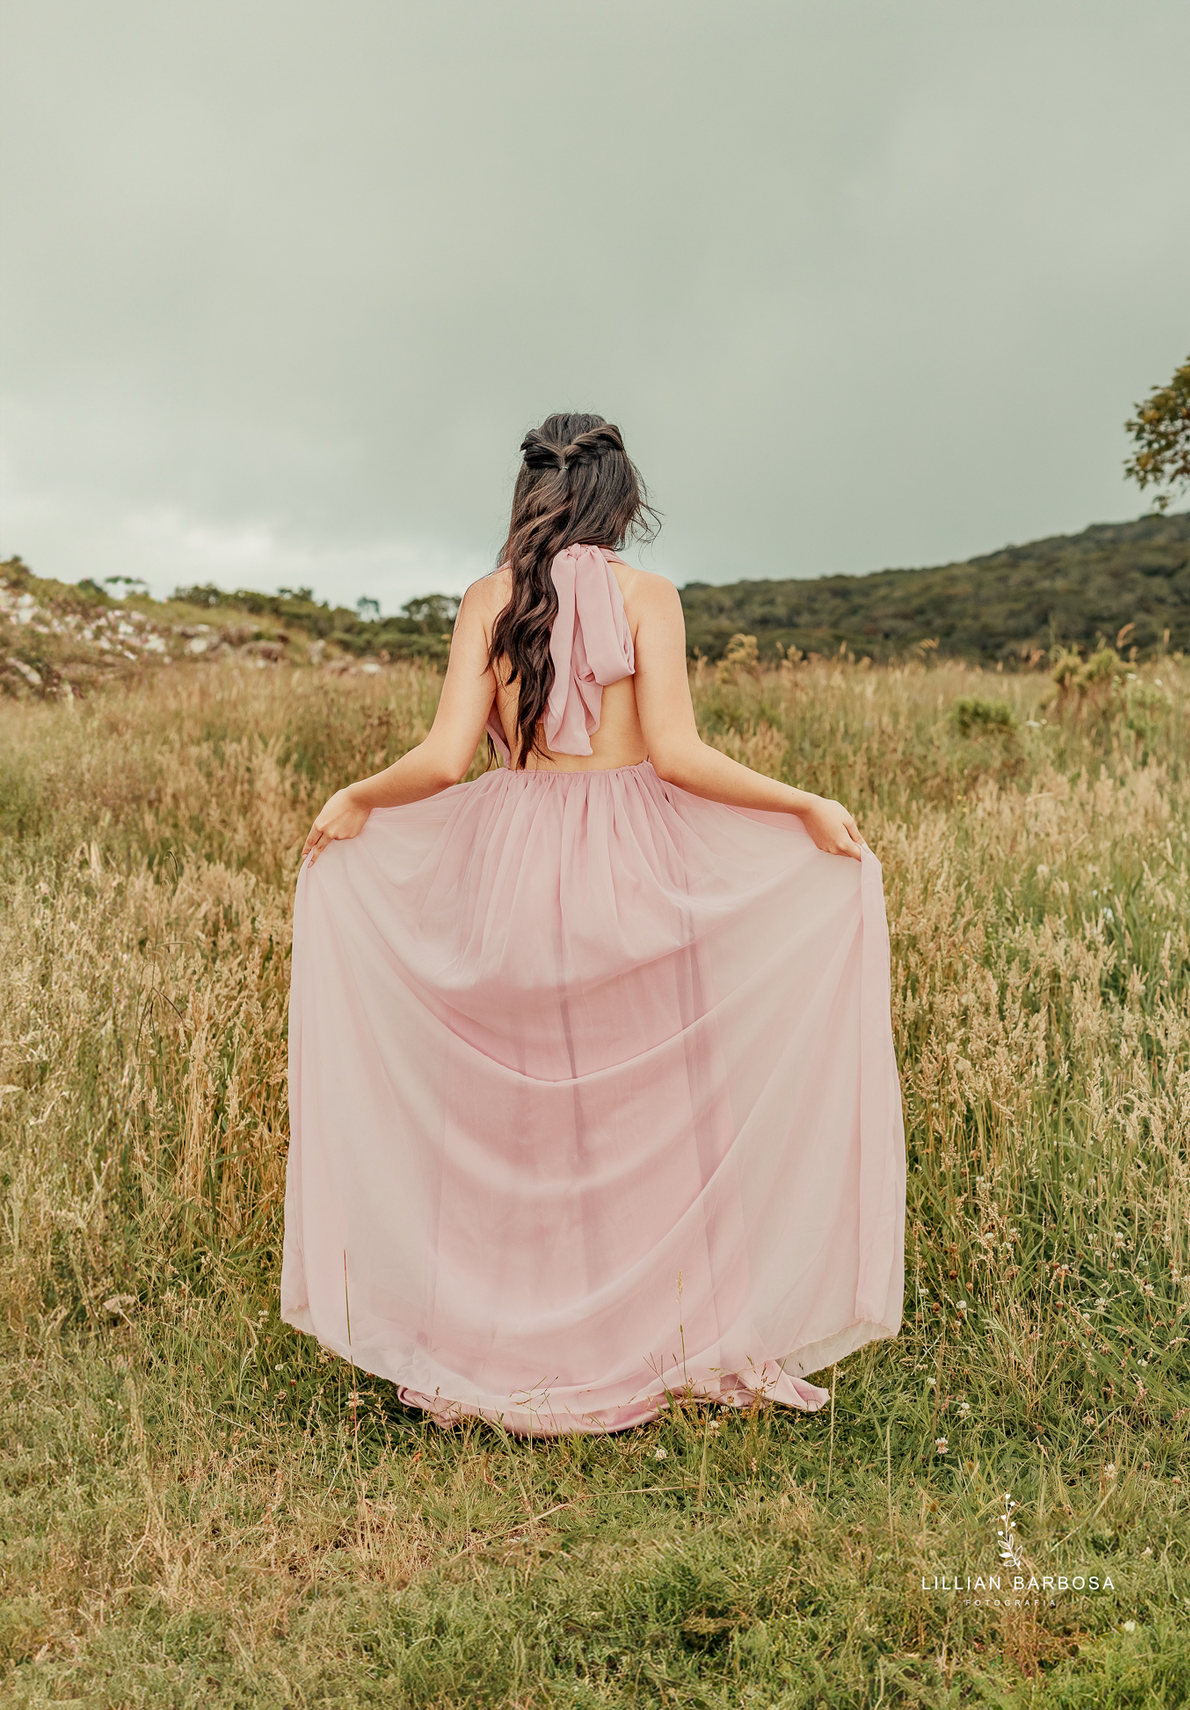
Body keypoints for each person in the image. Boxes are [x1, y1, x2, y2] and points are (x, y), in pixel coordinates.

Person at [282, 413, 906, 1434]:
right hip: (635, 867)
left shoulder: (489, 599)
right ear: (620, 497)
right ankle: (667, 1338)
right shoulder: (648, 595)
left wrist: (357, 797)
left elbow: (442, 763)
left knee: (519, 1124)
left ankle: (506, 1346)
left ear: (529, 493)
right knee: (663, 1109)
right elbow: (680, 756)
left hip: (514, 865)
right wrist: (801, 803)